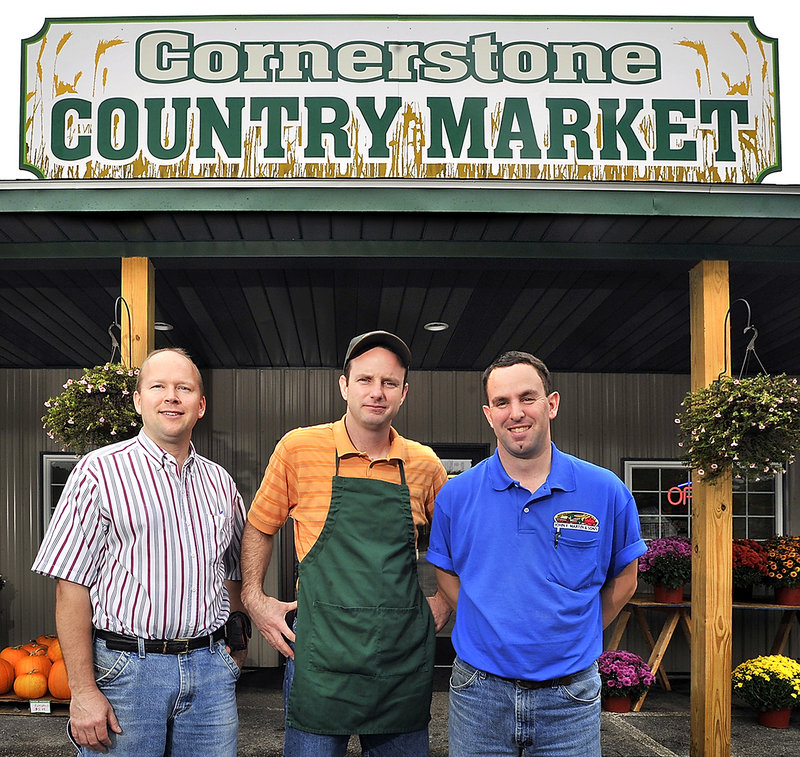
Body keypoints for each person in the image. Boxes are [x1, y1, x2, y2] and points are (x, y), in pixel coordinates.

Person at [241, 330, 450, 757]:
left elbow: (456, 544)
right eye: (365, 380)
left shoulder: (424, 463)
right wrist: (254, 597)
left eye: (389, 383)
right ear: (344, 385)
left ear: (404, 392)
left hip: (400, 662)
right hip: (321, 657)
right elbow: (260, 526)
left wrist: (444, 603)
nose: (377, 392)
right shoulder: (299, 448)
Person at [427, 350, 646, 757]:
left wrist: (575, 632)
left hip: (570, 698)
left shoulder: (605, 490)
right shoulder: (455, 496)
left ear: (552, 403)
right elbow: (447, 573)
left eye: (527, 397)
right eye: (501, 402)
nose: (516, 413)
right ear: (488, 414)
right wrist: (486, 620)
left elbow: (625, 578)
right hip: (479, 695)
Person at [32, 348, 249, 757]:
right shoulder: (98, 472)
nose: (172, 397)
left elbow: (234, 568)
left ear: (200, 405)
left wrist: (234, 646)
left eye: (184, 388)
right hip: (128, 671)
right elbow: (70, 586)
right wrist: (81, 691)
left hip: (209, 674)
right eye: (159, 387)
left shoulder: (220, 483)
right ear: (138, 400)